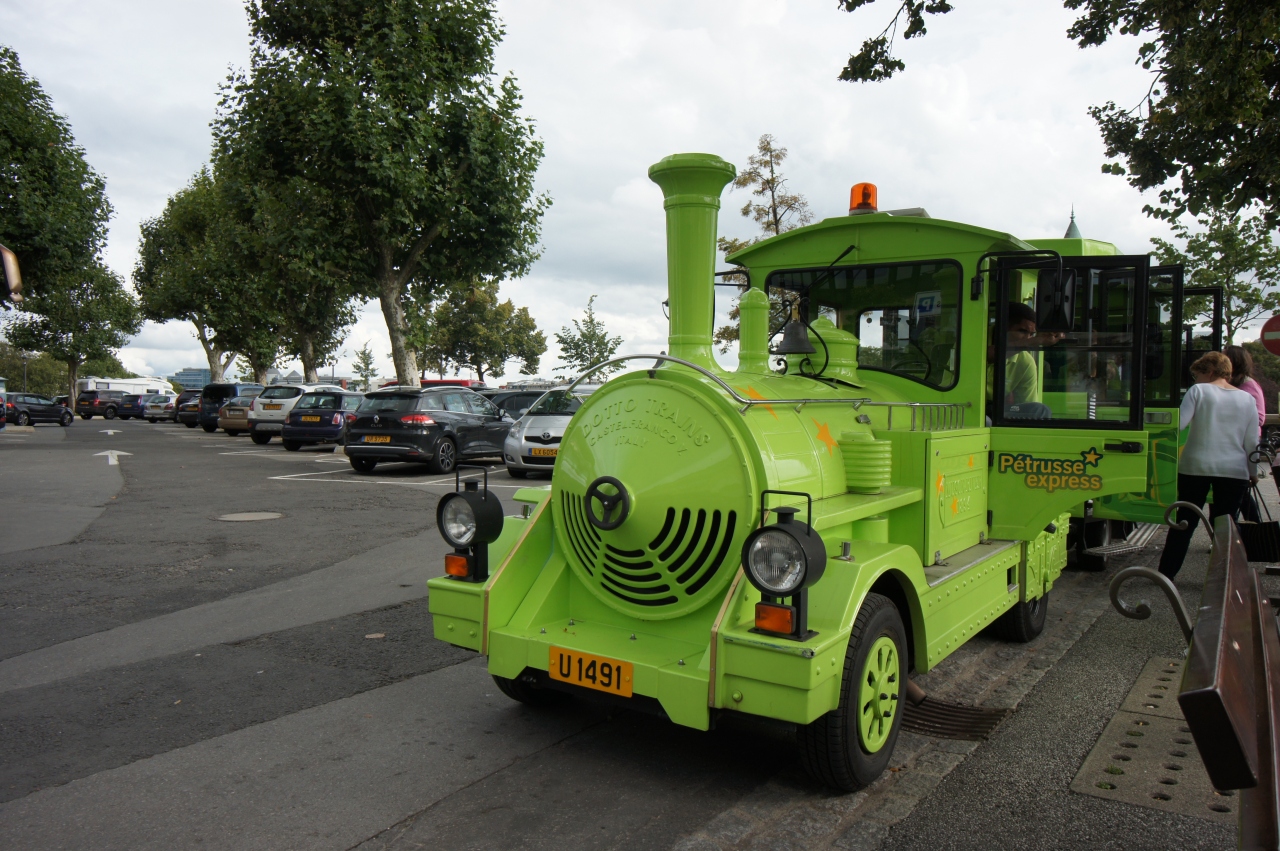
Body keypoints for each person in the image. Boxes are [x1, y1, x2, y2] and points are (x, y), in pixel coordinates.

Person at [1158, 351, 1261, 579]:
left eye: (1198, 375)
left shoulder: (1198, 391)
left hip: (1195, 466)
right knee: (1227, 525)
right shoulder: (1247, 400)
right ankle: (1227, 576)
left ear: (1211, 372)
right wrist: (1252, 473)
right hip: (1234, 469)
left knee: (1185, 521)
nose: (1196, 380)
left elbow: (1179, 424)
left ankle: (1166, 574)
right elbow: (1252, 442)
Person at [988, 302, 1057, 420]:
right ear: (1003, 327)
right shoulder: (975, 337)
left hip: (994, 409)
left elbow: (1027, 406)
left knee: (1040, 410)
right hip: (963, 405)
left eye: (1032, 334)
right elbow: (986, 355)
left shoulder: (1026, 362)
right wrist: (1035, 341)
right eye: (1023, 331)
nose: (1028, 338)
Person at [1225, 345, 1267, 522]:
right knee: (1237, 493)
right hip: (1233, 443)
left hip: (1243, 444)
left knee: (1239, 492)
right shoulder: (1232, 384)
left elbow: (1259, 417)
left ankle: (1251, 529)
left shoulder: (1248, 385)